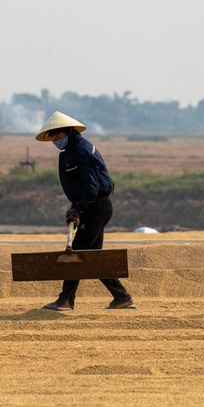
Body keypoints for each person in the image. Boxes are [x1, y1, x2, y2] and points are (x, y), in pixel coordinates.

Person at [35, 111, 135, 311]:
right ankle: (122, 297)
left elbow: (91, 187)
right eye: (52, 136)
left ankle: (65, 300)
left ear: (69, 131)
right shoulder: (69, 151)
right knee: (92, 256)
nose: (55, 139)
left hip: (97, 206)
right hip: (91, 206)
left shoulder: (81, 150)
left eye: (57, 135)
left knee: (77, 254)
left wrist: (79, 209)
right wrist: (75, 208)